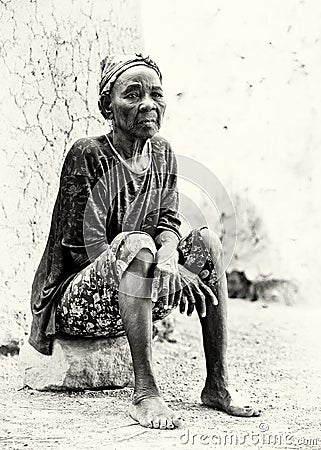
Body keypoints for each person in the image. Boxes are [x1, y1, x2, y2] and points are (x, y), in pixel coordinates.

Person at [29, 53, 260, 429]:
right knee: (137, 242)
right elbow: (79, 248)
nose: (147, 104)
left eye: (155, 94)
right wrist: (148, 256)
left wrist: (169, 261)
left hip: (140, 285)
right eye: (132, 94)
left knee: (209, 243)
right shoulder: (87, 154)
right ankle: (145, 393)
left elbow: (169, 224)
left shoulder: (163, 152)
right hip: (75, 302)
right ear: (108, 106)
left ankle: (217, 384)